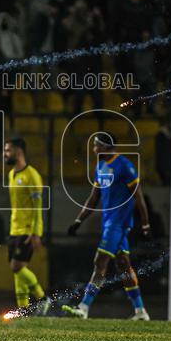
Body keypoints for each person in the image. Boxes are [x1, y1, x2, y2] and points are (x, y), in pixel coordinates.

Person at [63, 134, 151, 320]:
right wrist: (78, 221)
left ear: (105, 146)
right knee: (124, 266)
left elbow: (139, 197)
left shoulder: (124, 166)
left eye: (96, 146)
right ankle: (141, 311)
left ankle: (83, 307)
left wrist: (145, 224)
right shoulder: (100, 166)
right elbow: (94, 198)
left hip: (118, 224)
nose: (93, 149)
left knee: (100, 261)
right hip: (108, 223)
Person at [2, 138, 50, 314]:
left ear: (18, 151)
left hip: (28, 229)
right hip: (14, 228)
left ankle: (43, 298)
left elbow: (38, 207)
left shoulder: (32, 175)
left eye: (7, 151)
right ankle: (23, 308)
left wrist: (36, 232)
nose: (4, 154)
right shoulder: (12, 174)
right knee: (17, 270)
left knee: (16, 266)